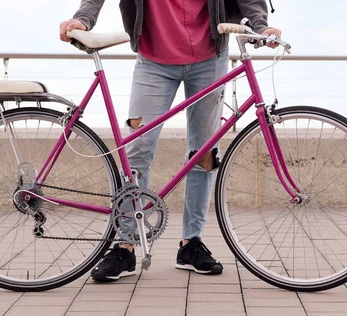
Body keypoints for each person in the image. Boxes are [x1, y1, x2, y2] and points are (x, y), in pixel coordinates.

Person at [59, 0, 282, 282]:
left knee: (206, 153)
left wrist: (261, 26)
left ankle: (191, 243)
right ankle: (125, 245)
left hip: (210, 58)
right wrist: (83, 19)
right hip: (152, 61)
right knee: (136, 149)